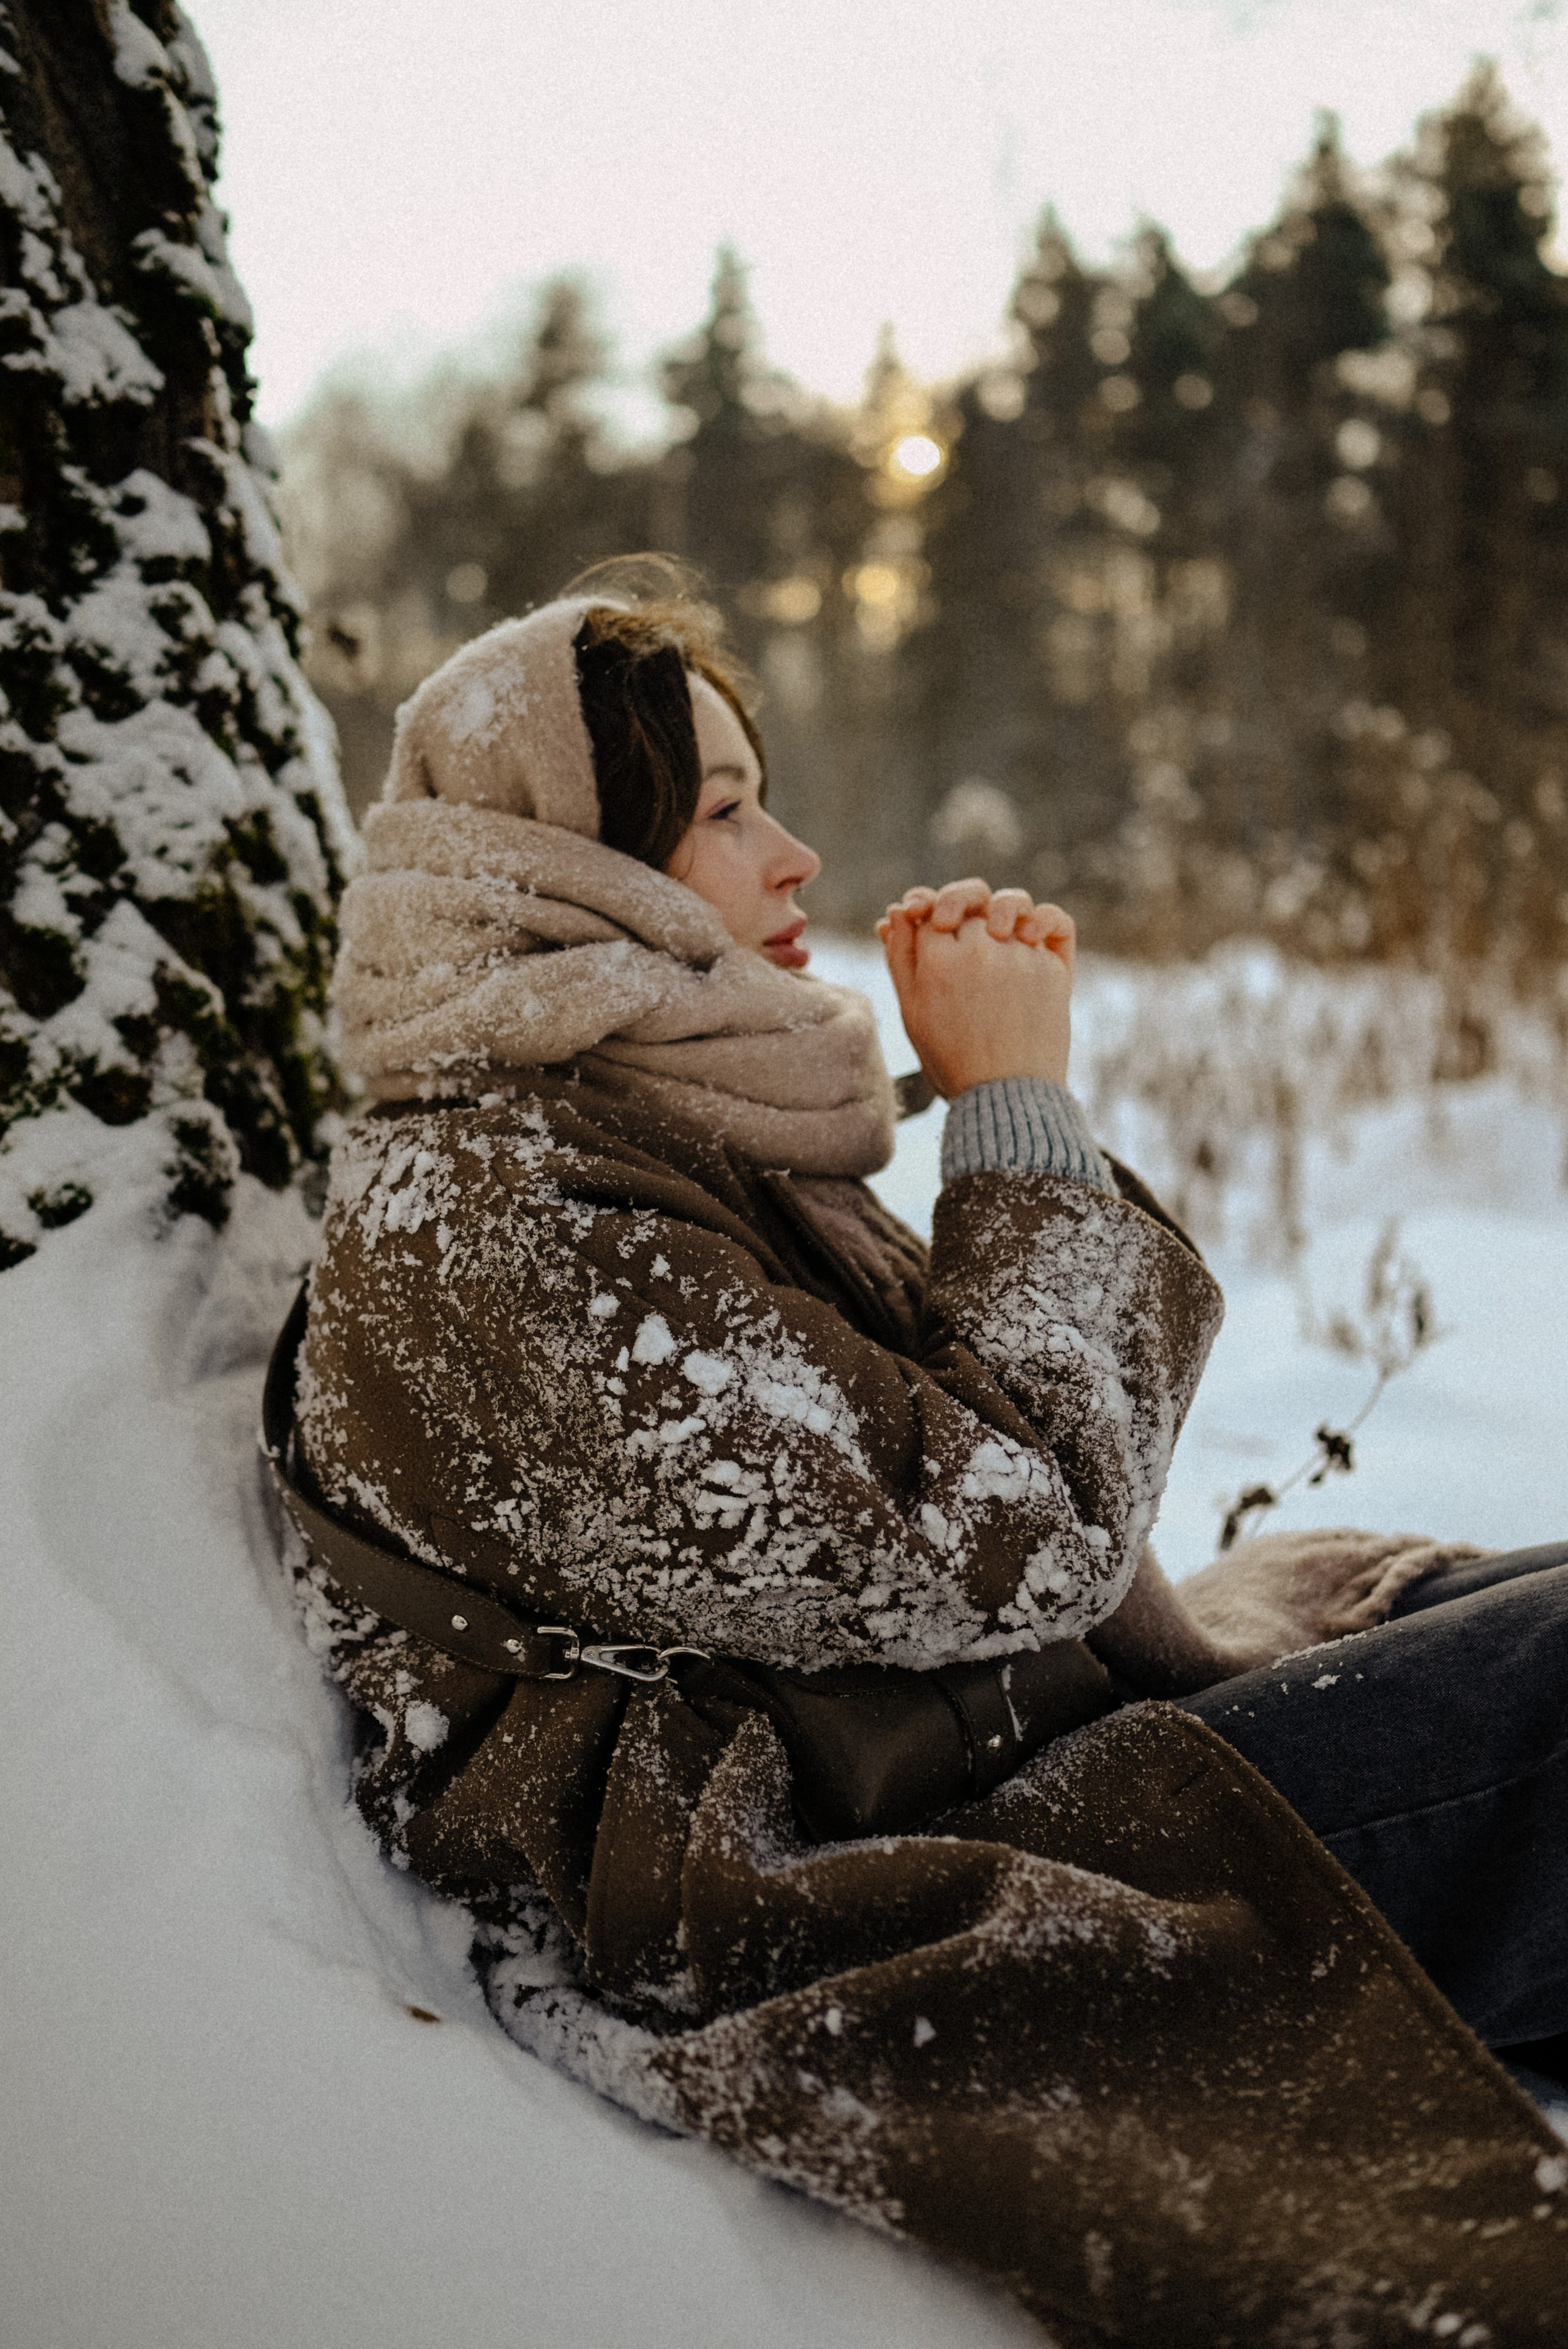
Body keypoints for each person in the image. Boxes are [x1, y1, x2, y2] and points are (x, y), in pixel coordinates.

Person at [290, 562, 1568, 2343]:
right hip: (869, 1874)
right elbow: (1010, 1535)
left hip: (980, 1746)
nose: (796, 857)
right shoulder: (495, 1225)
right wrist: (1012, 1110)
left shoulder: (633, 1134)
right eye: (725, 812)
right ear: (566, 871)